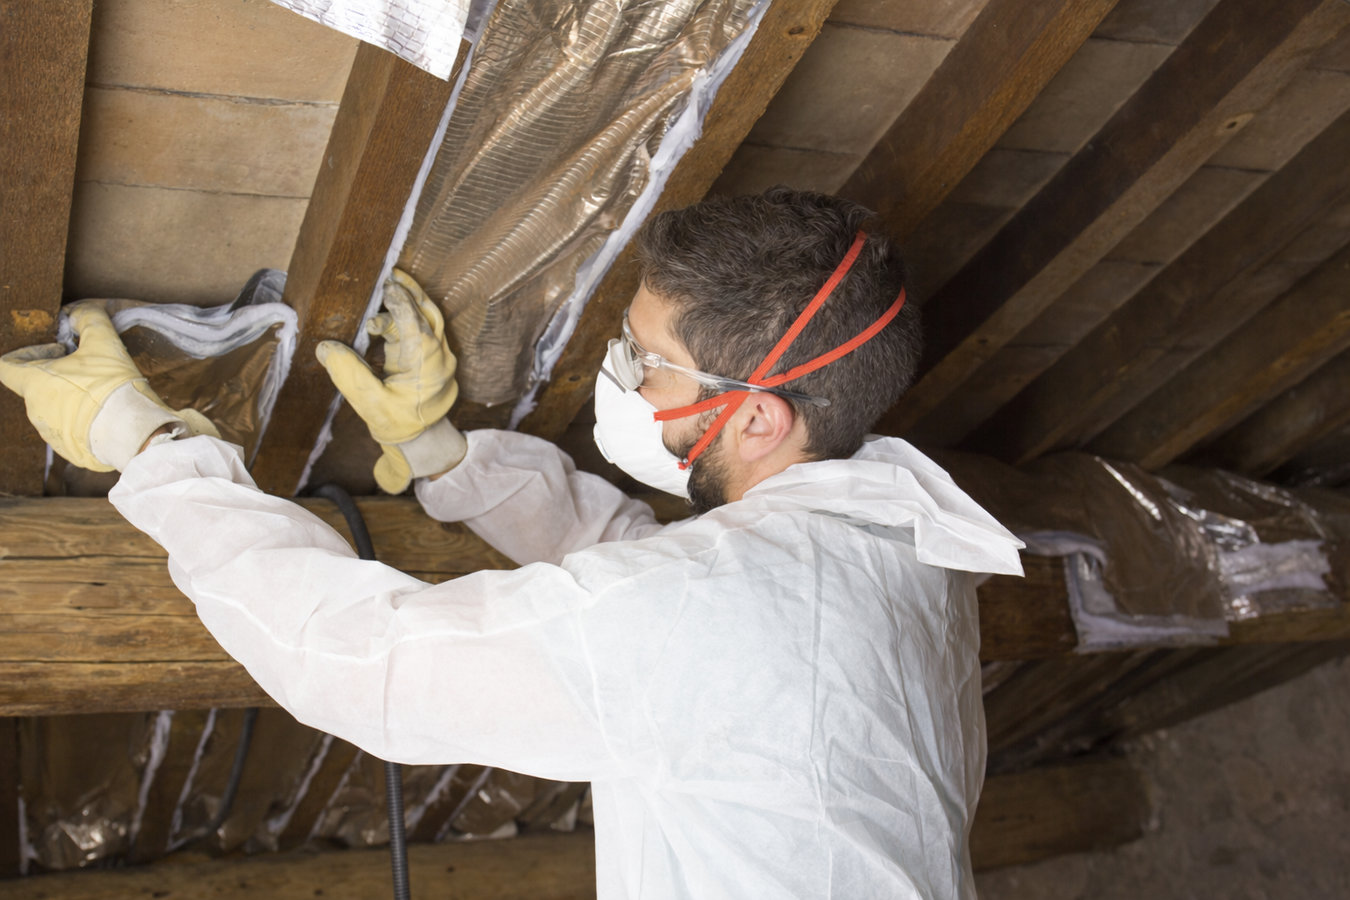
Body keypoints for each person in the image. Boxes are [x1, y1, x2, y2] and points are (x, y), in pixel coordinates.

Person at [0, 188, 1022, 898]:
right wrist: (452, 460)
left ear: (758, 419)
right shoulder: (903, 547)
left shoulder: (721, 620)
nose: (620, 376)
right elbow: (647, 567)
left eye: (649, 365)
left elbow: (361, 660)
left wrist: (156, 447)